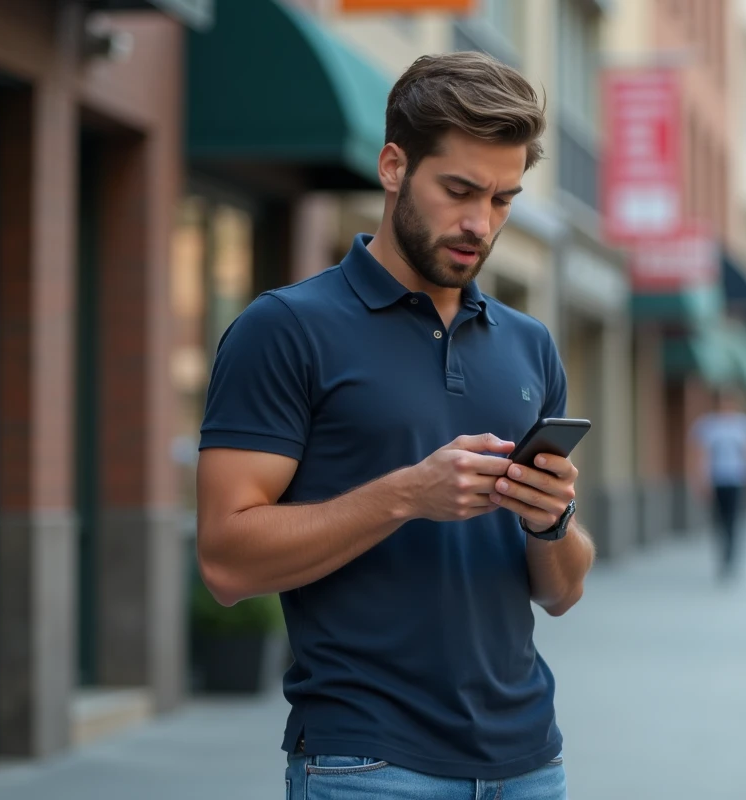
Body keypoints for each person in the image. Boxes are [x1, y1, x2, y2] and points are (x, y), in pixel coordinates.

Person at [195, 52, 594, 800]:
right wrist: (408, 495)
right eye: (459, 191)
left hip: (530, 763)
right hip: (370, 767)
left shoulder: (529, 343)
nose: (480, 223)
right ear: (392, 167)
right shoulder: (284, 329)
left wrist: (553, 521)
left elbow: (563, 592)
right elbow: (225, 563)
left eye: (503, 199)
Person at [687, 387, 746, 580]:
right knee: (719, 520)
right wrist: (699, 480)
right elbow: (698, 455)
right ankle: (723, 554)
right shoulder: (707, 426)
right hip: (716, 480)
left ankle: (731, 556)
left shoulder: (744, 425)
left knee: (734, 519)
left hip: (738, 479)